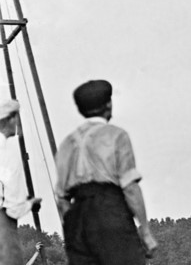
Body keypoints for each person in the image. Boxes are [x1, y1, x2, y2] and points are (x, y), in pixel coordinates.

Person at [55, 80, 158, 265]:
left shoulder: (66, 144)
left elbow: (61, 199)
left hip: (77, 218)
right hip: (110, 211)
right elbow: (130, 188)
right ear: (108, 104)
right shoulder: (116, 135)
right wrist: (145, 231)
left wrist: (72, 225)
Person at [0, 99, 41, 265]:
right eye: (16, 119)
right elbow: (13, 202)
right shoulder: (5, 150)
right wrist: (30, 204)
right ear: (10, 120)